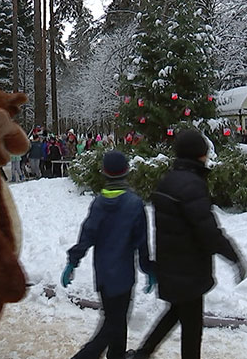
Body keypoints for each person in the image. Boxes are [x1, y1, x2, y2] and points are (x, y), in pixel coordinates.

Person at [128, 130, 247, 359]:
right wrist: (234, 257)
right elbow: (208, 230)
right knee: (192, 328)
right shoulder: (192, 185)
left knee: (175, 311)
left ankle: (143, 353)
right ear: (198, 155)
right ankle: (144, 353)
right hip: (190, 268)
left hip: (172, 263)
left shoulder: (168, 180)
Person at [62, 150, 155, 359]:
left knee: (116, 319)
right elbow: (142, 243)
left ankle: (117, 356)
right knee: (113, 324)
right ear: (127, 171)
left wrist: (72, 262)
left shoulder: (98, 204)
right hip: (123, 276)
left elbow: (86, 236)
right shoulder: (134, 204)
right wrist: (148, 269)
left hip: (103, 274)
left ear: (104, 172)